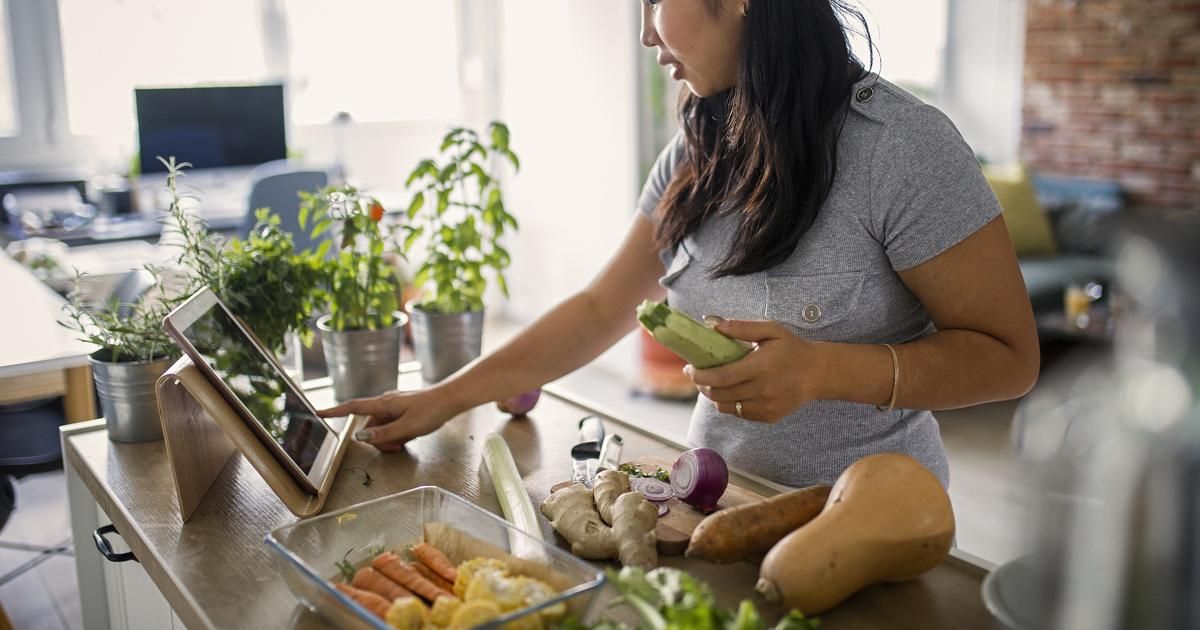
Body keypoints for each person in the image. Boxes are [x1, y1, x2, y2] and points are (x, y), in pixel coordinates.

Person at [321, 0, 1040, 489]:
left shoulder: (903, 148)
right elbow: (601, 307)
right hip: (714, 503)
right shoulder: (702, 144)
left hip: (873, 529)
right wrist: (440, 399)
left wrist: (824, 370)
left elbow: (1010, 359)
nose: (645, 35)